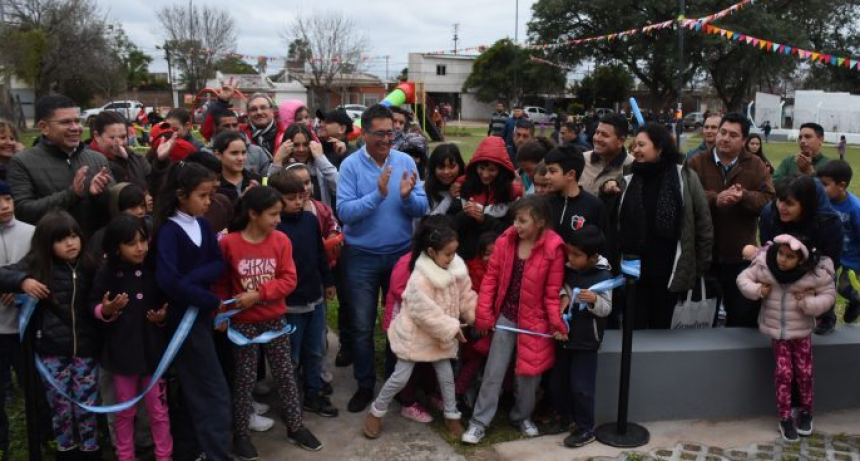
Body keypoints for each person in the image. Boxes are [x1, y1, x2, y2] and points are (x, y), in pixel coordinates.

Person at [214, 186, 322, 458]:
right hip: (242, 325)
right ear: (252, 213)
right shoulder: (229, 244)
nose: (278, 219)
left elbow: (288, 279)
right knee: (244, 380)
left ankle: (296, 427)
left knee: (286, 374)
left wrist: (258, 295)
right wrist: (221, 313)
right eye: (272, 214)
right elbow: (222, 283)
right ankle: (241, 434)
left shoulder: (281, 241)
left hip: (275, 321)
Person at [336, 104, 428, 412]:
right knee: (363, 326)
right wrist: (377, 194)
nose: (387, 139)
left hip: (400, 256)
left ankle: (393, 383)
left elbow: (421, 207)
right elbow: (345, 212)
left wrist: (405, 196)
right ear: (364, 134)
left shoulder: (404, 161)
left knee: (398, 324)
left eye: (392, 132)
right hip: (361, 257)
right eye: (380, 133)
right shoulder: (350, 166)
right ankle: (365, 385)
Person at [461, 196, 569, 444]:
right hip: (506, 318)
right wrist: (484, 315)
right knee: (493, 371)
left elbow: (553, 293)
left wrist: (556, 323)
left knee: (529, 376)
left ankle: (522, 417)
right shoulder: (505, 241)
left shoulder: (554, 247)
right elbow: (491, 281)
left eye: (523, 221)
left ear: (540, 222)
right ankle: (479, 422)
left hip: (535, 322)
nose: (516, 226)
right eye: (515, 220)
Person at [364, 218, 477, 439]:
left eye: (454, 253)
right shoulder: (419, 277)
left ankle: (451, 416)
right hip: (416, 336)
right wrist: (451, 327)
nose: (452, 258)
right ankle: (376, 412)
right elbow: (424, 312)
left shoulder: (455, 267)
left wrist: (473, 313)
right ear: (431, 252)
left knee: (445, 376)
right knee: (400, 377)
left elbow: (466, 293)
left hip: (440, 335)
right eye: (447, 254)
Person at [0, 211, 100, 460]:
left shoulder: (89, 264)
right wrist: (23, 281)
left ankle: (90, 450)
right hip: (52, 353)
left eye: (74, 236)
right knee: (61, 407)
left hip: (86, 351)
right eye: (61, 239)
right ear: (46, 243)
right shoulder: (37, 264)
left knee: (87, 405)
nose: (70, 243)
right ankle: (66, 450)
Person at [152, 162, 231, 461]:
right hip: (184, 319)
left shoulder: (201, 224)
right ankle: (215, 453)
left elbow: (216, 263)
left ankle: (199, 448)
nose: (209, 202)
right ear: (180, 195)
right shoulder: (169, 231)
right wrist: (206, 298)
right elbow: (167, 281)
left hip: (199, 314)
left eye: (210, 195)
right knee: (210, 390)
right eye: (202, 195)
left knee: (200, 388)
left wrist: (189, 279)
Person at [608, 124, 713, 329]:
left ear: (660, 148)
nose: (635, 149)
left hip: (670, 270)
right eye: (634, 145)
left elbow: (703, 222)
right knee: (634, 329)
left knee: (663, 329)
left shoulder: (684, 176)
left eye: (641, 144)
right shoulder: (629, 177)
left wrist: (699, 266)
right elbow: (615, 221)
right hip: (634, 270)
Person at [736, 234, 835, 442]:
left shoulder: (812, 274)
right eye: (781, 253)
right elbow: (743, 279)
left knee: (805, 373)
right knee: (784, 373)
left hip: (802, 334)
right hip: (778, 334)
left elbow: (829, 294)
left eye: (790, 257)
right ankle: (785, 416)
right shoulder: (765, 266)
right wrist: (757, 290)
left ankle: (806, 412)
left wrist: (809, 303)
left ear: (801, 260)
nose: (782, 259)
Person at [90, 215, 171, 461]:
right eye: (132, 243)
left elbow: (165, 303)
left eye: (144, 241)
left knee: (158, 410)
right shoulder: (108, 273)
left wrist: (162, 317)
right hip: (122, 354)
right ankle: (125, 456)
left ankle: (164, 455)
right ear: (116, 247)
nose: (140, 248)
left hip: (153, 353)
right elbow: (92, 303)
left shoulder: (154, 268)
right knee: (124, 411)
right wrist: (107, 310)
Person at [689, 113, 774, 328]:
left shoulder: (756, 164)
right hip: (704, 255)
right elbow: (686, 194)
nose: (725, 138)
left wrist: (743, 196)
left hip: (740, 256)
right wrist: (714, 199)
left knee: (739, 317)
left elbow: (769, 200)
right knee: (702, 319)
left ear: (744, 140)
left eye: (733, 135)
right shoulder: (697, 161)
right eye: (723, 132)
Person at [267, 171, 338, 418]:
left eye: (301, 196)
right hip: (289, 305)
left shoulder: (309, 220)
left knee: (315, 350)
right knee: (290, 356)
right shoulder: (274, 228)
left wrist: (328, 281)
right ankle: (289, 399)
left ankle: (313, 394)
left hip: (314, 298)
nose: (298, 201)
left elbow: (320, 253)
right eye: (291, 197)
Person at [8, 95, 114, 237]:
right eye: (65, 122)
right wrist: (72, 194)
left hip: (92, 250)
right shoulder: (22, 162)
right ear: (43, 127)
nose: (75, 128)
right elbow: (22, 212)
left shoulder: (97, 159)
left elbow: (114, 205)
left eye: (77, 121)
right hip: (47, 251)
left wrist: (100, 194)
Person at [549, 225, 612, 447]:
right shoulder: (568, 269)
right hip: (564, 339)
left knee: (581, 387)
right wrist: (564, 296)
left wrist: (594, 300)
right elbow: (559, 289)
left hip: (587, 342)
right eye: (570, 252)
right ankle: (565, 418)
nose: (571, 258)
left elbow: (606, 309)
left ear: (593, 257)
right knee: (558, 383)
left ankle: (586, 428)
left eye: (577, 255)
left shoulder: (604, 275)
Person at [759, 175, 843, 335]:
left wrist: (812, 288)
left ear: (805, 205)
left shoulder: (829, 223)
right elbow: (767, 251)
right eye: (779, 200)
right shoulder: (769, 214)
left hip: (815, 273)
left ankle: (825, 318)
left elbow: (831, 264)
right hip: (780, 272)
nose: (781, 207)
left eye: (789, 203)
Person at [0, 181, 34, 460]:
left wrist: (19, 288)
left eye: (8, 198)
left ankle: (41, 434)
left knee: (32, 386)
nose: (4, 206)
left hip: (25, 325)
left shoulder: (32, 233)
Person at [455, 136, 522, 260]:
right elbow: (452, 225)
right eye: (481, 168)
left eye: (492, 170)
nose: (485, 175)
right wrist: (465, 214)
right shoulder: (462, 187)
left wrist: (484, 219)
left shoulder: (512, 194)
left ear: (501, 171)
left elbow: (512, 231)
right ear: (475, 167)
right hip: (464, 257)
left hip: (495, 258)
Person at [816, 161, 860, 323]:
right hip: (832, 253)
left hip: (853, 258)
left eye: (825, 184)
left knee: (844, 288)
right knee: (826, 286)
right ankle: (826, 318)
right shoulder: (824, 201)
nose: (820, 188)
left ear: (841, 185)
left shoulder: (855, 209)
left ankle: (856, 301)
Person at [544, 145, 607, 237]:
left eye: (552, 171)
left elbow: (603, 244)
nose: (546, 176)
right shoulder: (545, 204)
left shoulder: (594, 206)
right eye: (546, 171)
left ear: (570, 174)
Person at [88, 111, 152, 190]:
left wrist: (160, 161)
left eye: (123, 137)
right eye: (112, 138)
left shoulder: (135, 159)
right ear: (97, 136)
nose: (119, 143)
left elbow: (156, 184)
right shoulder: (87, 164)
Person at [579, 113, 634, 196]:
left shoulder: (631, 166)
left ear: (621, 141)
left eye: (604, 135)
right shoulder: (581, 159)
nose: (597, 138)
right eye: (597, 132)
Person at [209, 108, 271, 176]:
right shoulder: (207, 154)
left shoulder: (257, 151)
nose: (232, 129)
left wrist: (260, 185)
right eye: (226, 126)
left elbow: (267, 176)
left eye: (235, 125)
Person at [212, 131, 261, 204]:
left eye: (243, 152)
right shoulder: (213, 185)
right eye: (234, 153)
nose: (241, 158)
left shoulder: (257, 179)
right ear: (218, 155)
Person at [424, 144, 466, 216]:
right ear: (433, 168)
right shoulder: (425, 190)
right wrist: (449, 197)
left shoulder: (468, 186)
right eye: (441, 167)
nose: (446, 172)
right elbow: (427, 223)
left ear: (460, 166)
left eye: (452, 167)